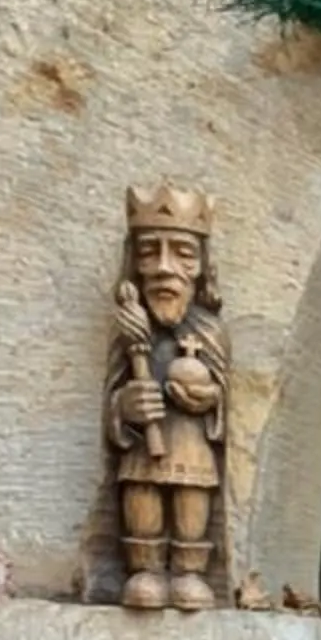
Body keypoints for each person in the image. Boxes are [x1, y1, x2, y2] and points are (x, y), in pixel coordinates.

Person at [105, 183, 229, 610]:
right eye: (148, 252)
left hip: (191, 444)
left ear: (202, 267)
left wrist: (209, 398)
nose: (163, 267)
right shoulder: (129, 331)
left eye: (182, 253)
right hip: (144, 447)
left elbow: (225, 395)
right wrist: (124, 407)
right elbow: (113, 388)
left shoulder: (210, 331)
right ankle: (146, 569)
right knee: (142, 499)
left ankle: (189, 572)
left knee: (192, 504)